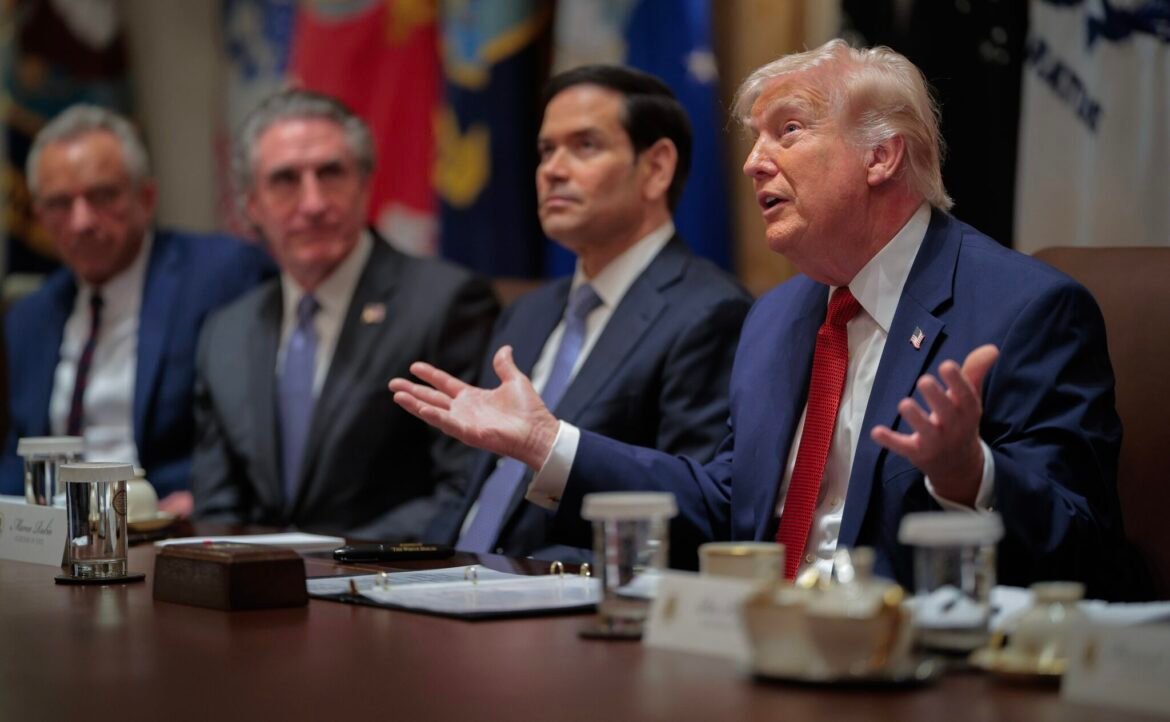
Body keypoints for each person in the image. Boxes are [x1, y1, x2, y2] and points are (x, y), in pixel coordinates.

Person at [391, 40, 1139, 599]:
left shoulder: (1028, 308)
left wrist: (968, 474)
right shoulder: (779, 317)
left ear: (882, 156)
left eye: (787, 131)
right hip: (753, 651)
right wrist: (545, 442)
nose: (753, 162)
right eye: (754, 138)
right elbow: (727, 509)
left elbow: (1087, 547)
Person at [425, 65, 751, 558]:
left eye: (585, 146)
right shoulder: (528, 314)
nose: (553, 169)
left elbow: (699, 513)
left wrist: (547, 445)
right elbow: (469, 491)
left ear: (657, 167)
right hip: (449, 585)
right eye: (546, 150)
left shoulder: (710, 312)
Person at [191, 89, 498, 540]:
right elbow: (218, 506)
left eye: (330, 173)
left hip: (388, 587)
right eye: (285, 180)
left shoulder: (445, 303)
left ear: (364, 183)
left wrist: (324, 562)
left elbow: (463, 488)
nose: (312, 203)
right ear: (251, 205)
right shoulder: (227, 332)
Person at [0, 105, 273, 514]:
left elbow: (266, 428)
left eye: (102, 195)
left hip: (168, 524)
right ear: (40, 216)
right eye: (59, 204)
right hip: (51, 540)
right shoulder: (28, 316)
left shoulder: (223, 276)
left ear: (146, 198)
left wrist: (210, 501)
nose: (81, 222)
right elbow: (15, 456)